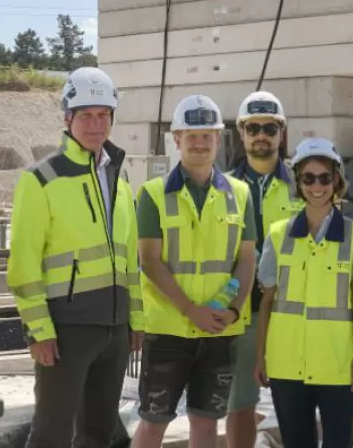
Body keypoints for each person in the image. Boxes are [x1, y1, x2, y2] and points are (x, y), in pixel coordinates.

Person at [9, 67, 144, 448]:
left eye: (104, 115)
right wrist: (39, 330)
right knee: (52, 431)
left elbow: (129, 260)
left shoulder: (119, 179)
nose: (96, 124)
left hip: (115, 330)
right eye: (86, 115)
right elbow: (24, 264)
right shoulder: (41, 180)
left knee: (100, 432)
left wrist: (137, 318)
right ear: (67, 118)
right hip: (65, 330)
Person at [133, 95, 258, 448]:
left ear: (219, 138)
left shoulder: (241, 194)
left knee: (205, 425)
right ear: (176, 139)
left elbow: (246, 258)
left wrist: (233, 310)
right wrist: (191, 311)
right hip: (168, 331)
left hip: (220, 330)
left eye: (207, 135)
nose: (200, 143)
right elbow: (149, 261)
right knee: (152, 424)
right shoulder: (153, 194)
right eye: (192, 136)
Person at [254, 137, 353, 448]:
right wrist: (261, 356)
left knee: (339, 443)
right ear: (298, 181)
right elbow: (267, 302)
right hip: (286, 364)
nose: (317, 186)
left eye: (325, 177)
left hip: (337, 365)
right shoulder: (278, 236)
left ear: (337, 180)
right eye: (308, 178)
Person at [225, 90, 301, 448]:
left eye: (269, 128)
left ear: (281, 133)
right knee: (240, 402)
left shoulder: (306, 186)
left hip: (292, 311)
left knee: (300, 400)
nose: (261, 135)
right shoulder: (220, 187)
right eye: (253, 127)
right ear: (241, 133)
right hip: (241, 312)